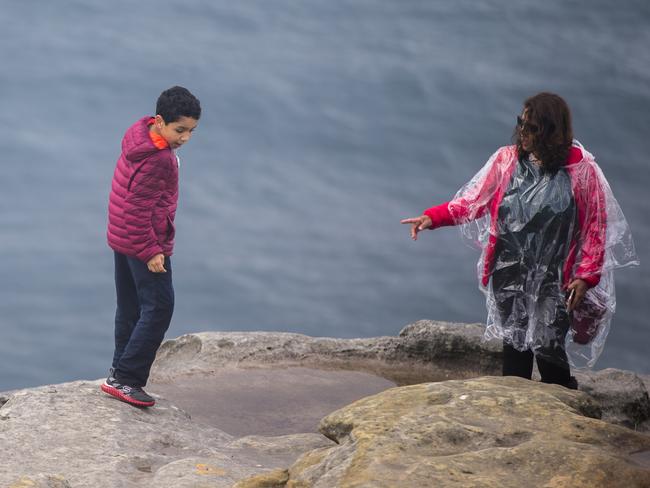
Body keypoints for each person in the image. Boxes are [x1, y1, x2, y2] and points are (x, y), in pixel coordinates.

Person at [401, 92, 637, 389]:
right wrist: (432, 218)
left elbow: (595, 228)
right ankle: (516, 407)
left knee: (549, 347)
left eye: (532, 128)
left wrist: (585, 276)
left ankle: (563, 409)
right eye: (521, 124)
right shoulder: (507, 160)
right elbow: (474, 201)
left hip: (556, 278)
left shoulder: (581, 170)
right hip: (508, 270)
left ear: (552, 131)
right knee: (514, 342)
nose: (522, 133)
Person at [102, 86, 201, 407]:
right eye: (180, 129)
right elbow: (138, 209)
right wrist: (152, 251)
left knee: (131, 306)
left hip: (123, 236)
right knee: (159, 307)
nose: (185, 137)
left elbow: (131, 203)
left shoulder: (139, 137)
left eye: (192, 131)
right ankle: (128, 379)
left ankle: (119, 372)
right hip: (144, 241)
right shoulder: (159, 160)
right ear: (159, 121)